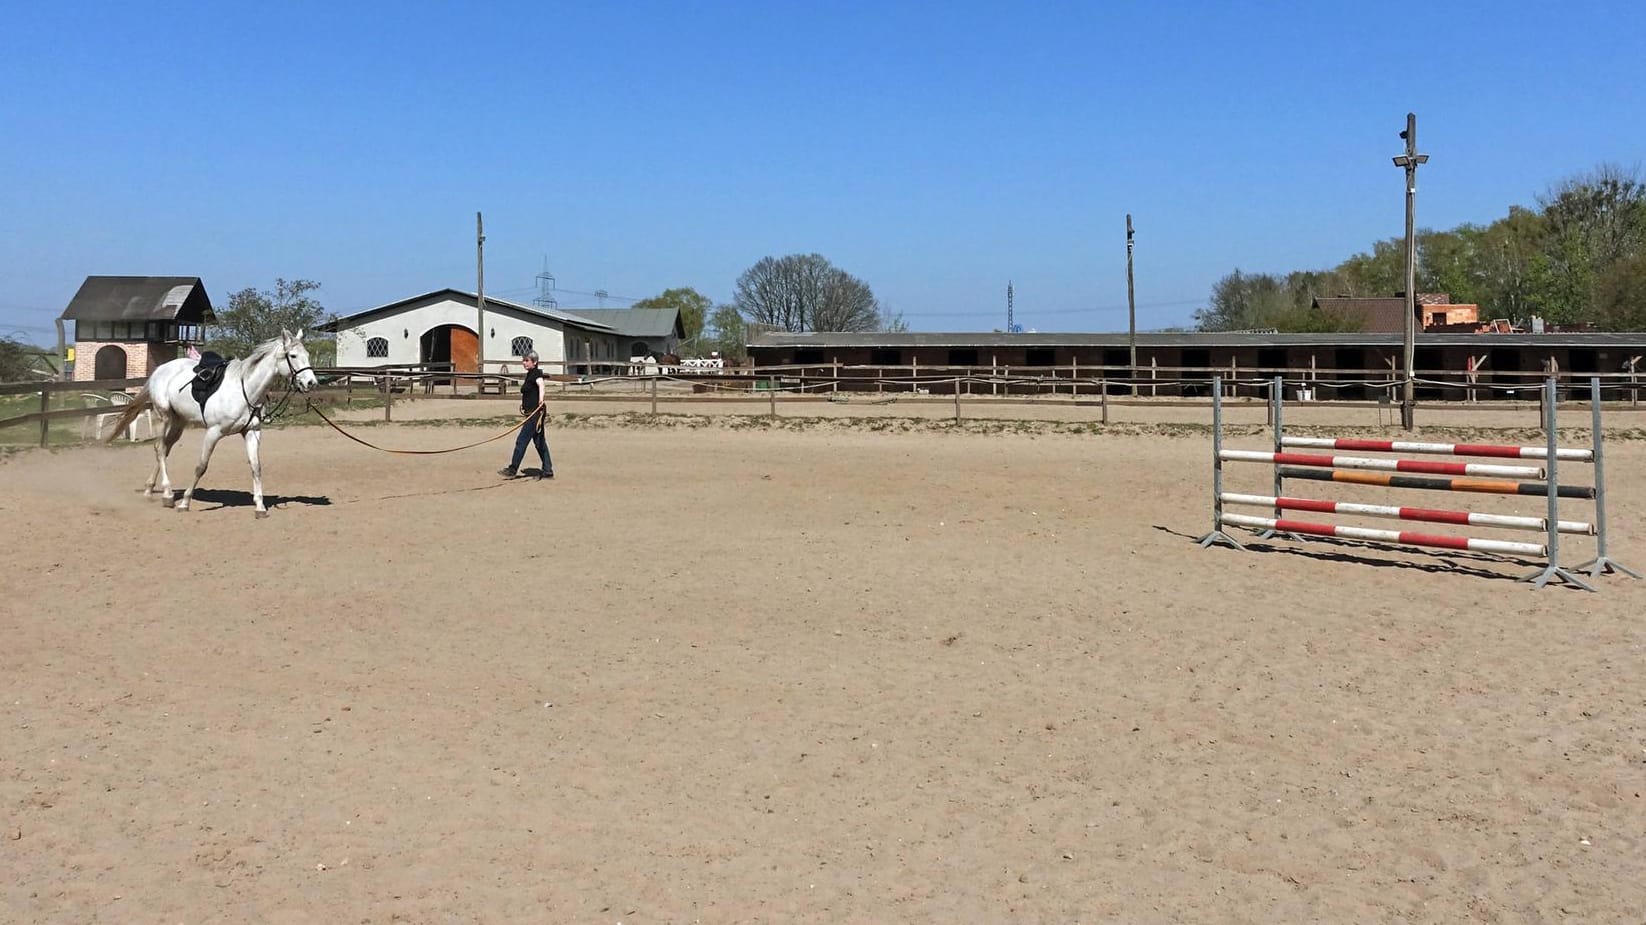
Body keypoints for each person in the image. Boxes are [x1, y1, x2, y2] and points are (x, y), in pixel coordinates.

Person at [499, 351, 554, 480]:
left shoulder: (536, 374)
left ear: (534, 362)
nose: (524, 363)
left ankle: (512, 469)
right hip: (531, 413)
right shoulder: (530, 374)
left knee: (521, 441)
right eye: (523, 360)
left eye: (527, 360)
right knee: (539, 442)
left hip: (535, 414)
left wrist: (541, 400)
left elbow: (541, 385)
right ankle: (548, 470)